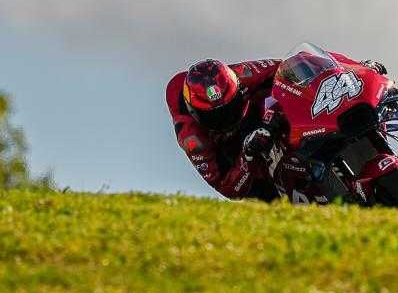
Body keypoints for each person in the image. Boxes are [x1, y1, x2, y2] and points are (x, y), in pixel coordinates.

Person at [165, 49, 385, 200]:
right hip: (244, 166)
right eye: (217, 116)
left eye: (230, 107)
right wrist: (248, 155)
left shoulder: (242, 75)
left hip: (267, 122)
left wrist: (355, 67)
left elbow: (296, 64)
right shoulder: (192, 139)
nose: (227, 118)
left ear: (237, 87)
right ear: (196, 114)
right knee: (267, 203)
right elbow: (228, 188)